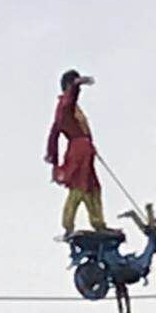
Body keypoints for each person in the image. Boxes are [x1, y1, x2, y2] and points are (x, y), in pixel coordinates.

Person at [45, 69, 107, 239]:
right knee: (79, 187)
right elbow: (70, 100)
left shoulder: (68, 108)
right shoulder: (65, 105)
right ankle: (68, 224)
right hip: (78, 151)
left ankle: (98, 222)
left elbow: (54, 133)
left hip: (84, 150)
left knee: (93, 186)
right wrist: (77, 85)